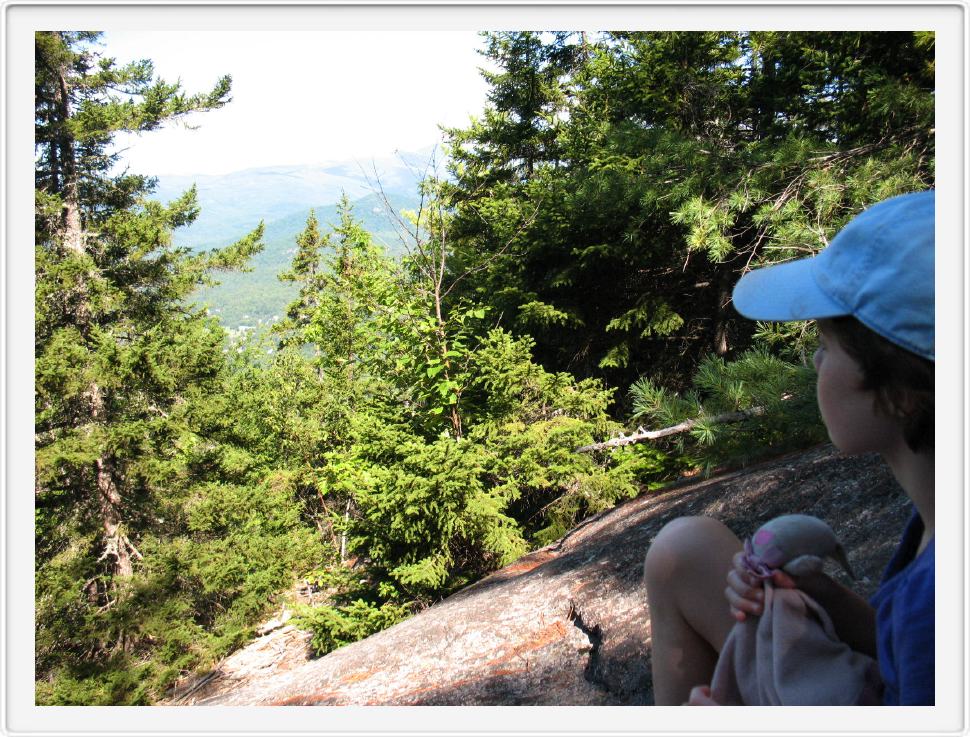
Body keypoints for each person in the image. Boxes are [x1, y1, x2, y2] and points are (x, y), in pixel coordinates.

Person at [643, 190, 935, 706]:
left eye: (826, 345)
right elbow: (908, 664)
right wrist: (826, 599)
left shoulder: (937, 600)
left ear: (905, 392)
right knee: (682, 550)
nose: (817, 364)